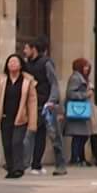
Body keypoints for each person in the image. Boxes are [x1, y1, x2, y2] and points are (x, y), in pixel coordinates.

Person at [0, 52, 39, 178]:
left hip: (21, 116)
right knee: (7, 143)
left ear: (21, 65)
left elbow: (32, 101)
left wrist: (32, 121)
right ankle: (10, 168)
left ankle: (19, 168)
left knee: (17, 142)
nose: (12, 64)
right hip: (5, 116)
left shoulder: (27, 81)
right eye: (10, 62)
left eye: (15, 62)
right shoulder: (2, 80)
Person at [24, 41, 59, 176]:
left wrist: (51, 100)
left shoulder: (46, 63)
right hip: (31, 102)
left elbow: (53, 82)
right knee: (33, 134)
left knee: (41, 134)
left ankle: (36, 163)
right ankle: (30, 163)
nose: (24, 51)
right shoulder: (27, 64)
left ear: (34, 49)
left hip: (43, 103)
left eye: (27, 47)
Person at [60, 58, 94, 176]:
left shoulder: (82, 78)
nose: (87, 69)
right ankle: (75, 158)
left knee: (83, 136)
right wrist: (85, 94)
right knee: (78, 136)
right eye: (85, 66)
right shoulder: (75, 78)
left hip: (82, 111)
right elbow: (70, 93)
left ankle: (81, 157)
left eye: (88, 66)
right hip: (77, 110)